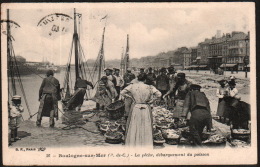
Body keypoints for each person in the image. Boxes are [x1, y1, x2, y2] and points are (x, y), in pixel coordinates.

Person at [120, 73, 161, 148]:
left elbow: (122, 92)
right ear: (145, 79)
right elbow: (159, 94)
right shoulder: (150, 87)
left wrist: (130, 97)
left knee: (135, 124)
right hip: (145, 107)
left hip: (136, 107)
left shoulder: (132, 86)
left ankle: (134, 143)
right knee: (145, 125)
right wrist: (152, 100)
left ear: (137, 79)